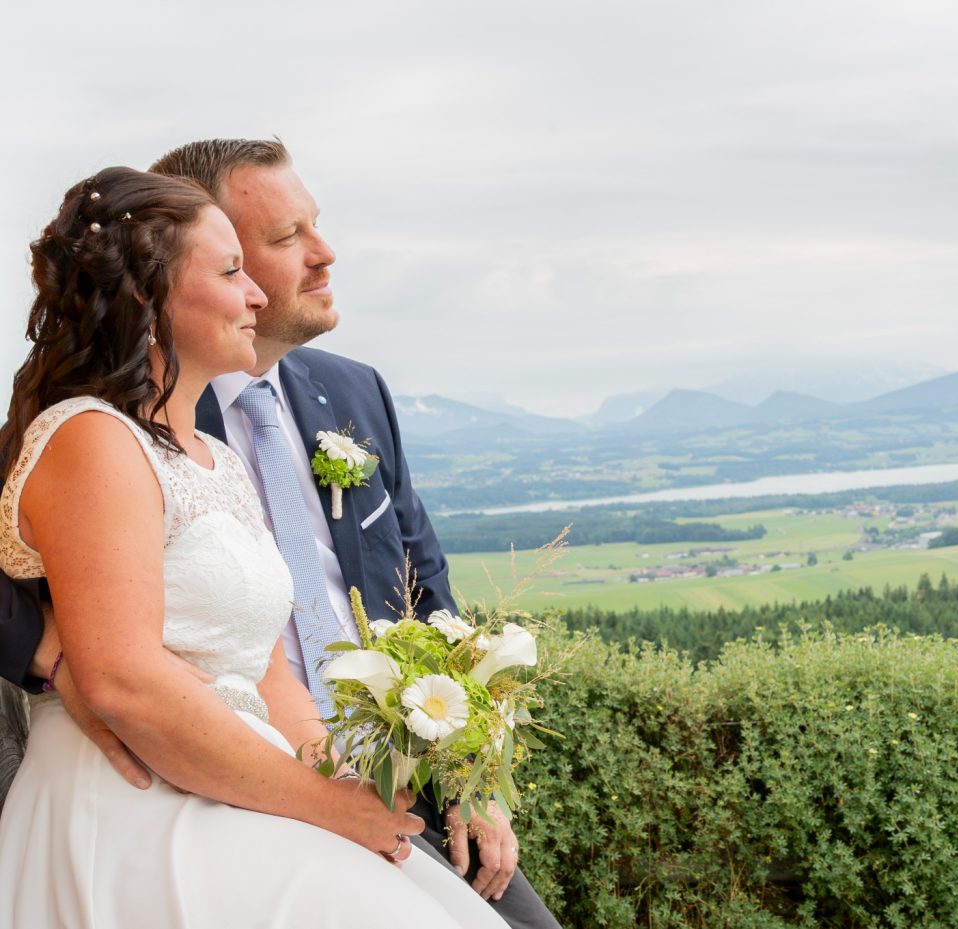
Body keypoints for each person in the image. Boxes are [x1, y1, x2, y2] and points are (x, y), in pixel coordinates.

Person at [2, 140, 560, 928]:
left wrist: (364, 785)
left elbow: (296, 661)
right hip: (143, 798)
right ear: (150, 290)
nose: (259, 293)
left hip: (310, 769)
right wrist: (328, 806)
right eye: (236, 268)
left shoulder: (235, 451)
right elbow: (122, 674)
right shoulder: (88, 437)